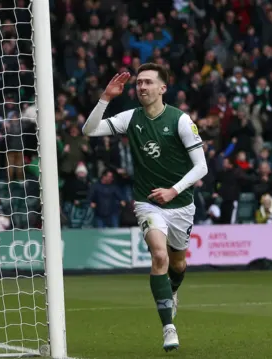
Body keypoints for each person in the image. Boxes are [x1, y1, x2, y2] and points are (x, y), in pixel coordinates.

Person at [82, 63, 208, 352]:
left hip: (181, 205)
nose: (142, 87)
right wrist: (105, 98)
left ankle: (171, 291)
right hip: (147, 202)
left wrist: (173, 190)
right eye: (139, 83)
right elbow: (89, 130)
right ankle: (168, 328)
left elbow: (202, 166)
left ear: (163, 88)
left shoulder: (180, 120)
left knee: (178, 263)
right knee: (159, 256)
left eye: (148, 82)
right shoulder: (131, 118)